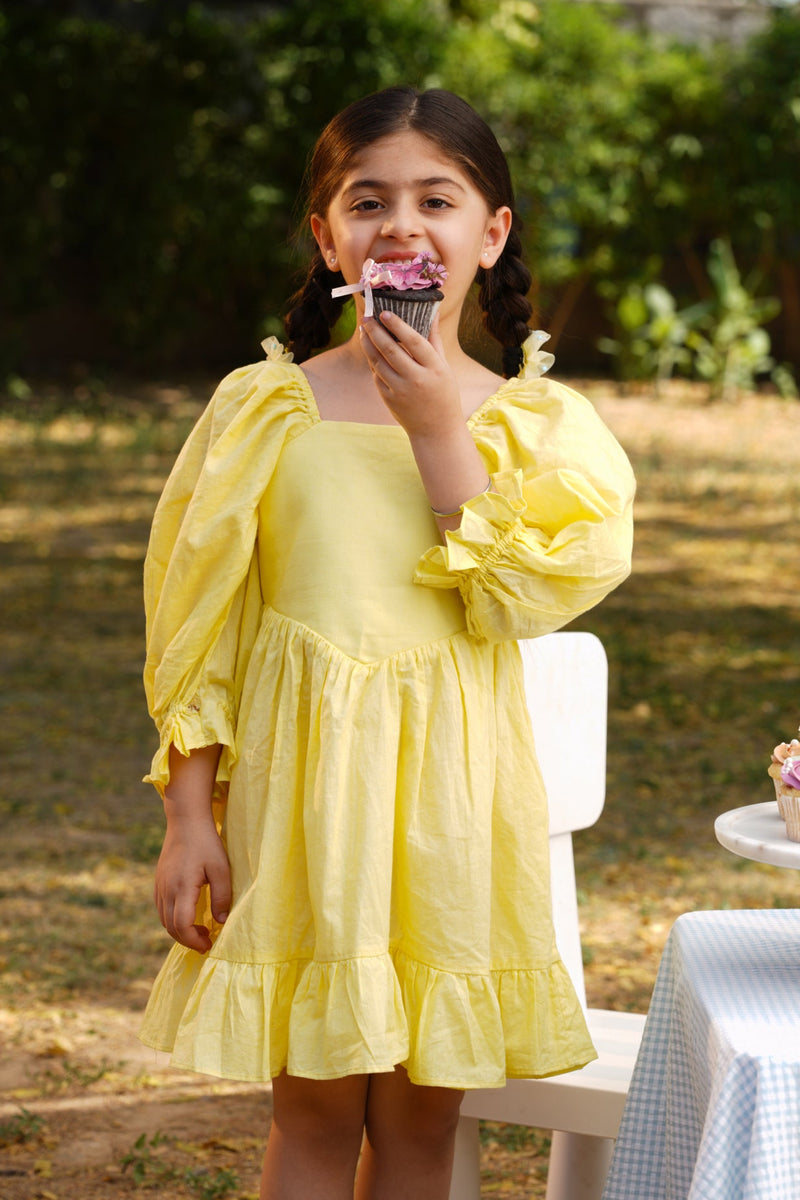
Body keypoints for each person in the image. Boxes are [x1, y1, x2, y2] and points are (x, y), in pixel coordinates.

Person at [139, 86, 636, 1200]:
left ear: (489, 233)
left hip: (450, 817)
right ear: (327, 240)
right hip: (303, 812)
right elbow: (198, 623)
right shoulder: (265, 411)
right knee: (311, 1112)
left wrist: (434, 430)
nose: (402, 226)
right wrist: (187, 816)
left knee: (417, 1127)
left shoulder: (532, 427)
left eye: (436, 200)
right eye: (367, 202)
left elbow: (515, 596)